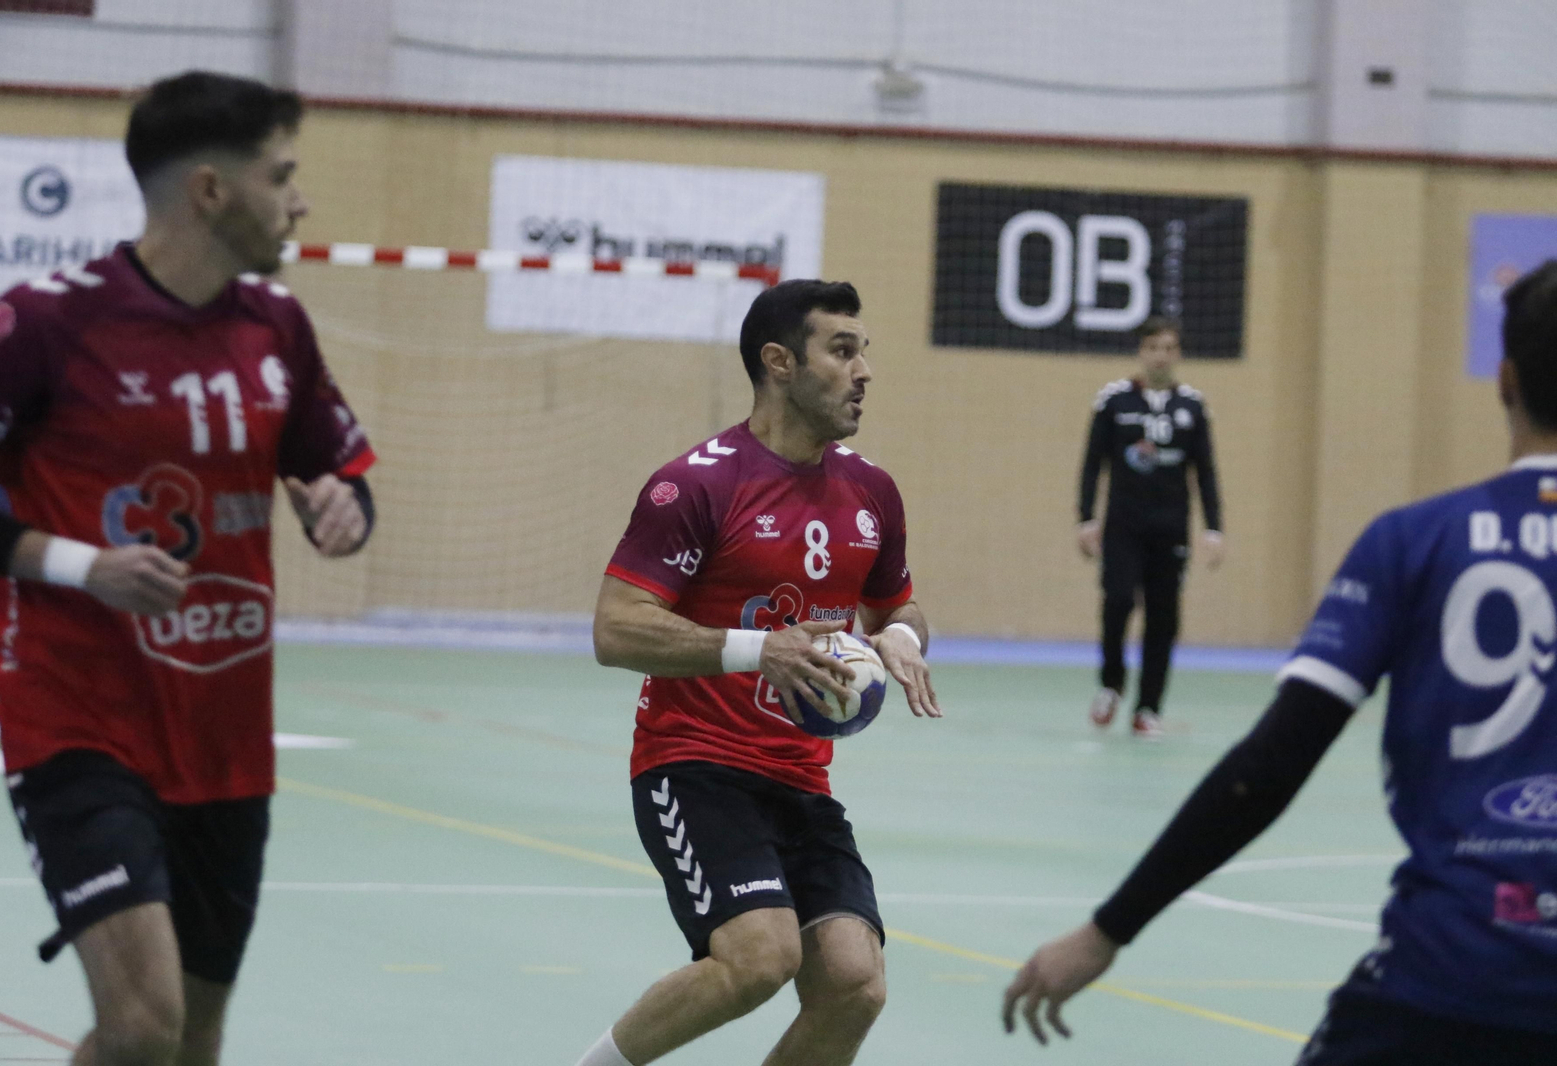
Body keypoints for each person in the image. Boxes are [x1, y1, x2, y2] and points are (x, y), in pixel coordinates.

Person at [1003, 262, 1557, 1063]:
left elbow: (1268, 766)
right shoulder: (1116, 405)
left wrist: (1108, 929)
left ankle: (1139, 700)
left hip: (1449, 980)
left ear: (1504, 380)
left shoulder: (1414, 542)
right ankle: (1122, 692)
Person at [0, 71, 376, 1065]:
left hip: (225, 729)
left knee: (192, 1038)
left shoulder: (277, 325)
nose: (300, 201)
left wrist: (343, 510)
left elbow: (338, 472)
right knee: (143, 1024)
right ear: (210, 190)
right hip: (78, 720)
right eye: (282, 176)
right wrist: (77, 564)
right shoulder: (46, 325)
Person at [575, 280, 941, 1066]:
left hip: (802, 778)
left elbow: (898, 608)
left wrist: (903, 637)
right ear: (780, 363)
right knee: (759, 957)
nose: (864, 371)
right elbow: (615, 628)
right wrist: (758, 649)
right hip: (693, 766)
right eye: (842, 351)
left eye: (863, 351)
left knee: (854, 984)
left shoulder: (872, 491)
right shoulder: (699, 484)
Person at [1077, 316, 1223, 738]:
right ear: (1141, 351)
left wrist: (1213, 528)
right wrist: (1086, 518)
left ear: (1178, 354)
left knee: (1163, 616)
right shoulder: (1114, 401)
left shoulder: (1192, 406)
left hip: (1171, 528)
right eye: (1154, 347)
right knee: (1118, 601)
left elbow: (1205, 471)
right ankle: (1111, 684)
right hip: (1124, 525)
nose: (1161, 355)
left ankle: (1148, 708)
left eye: (1169, 348)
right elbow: (1093, 464)